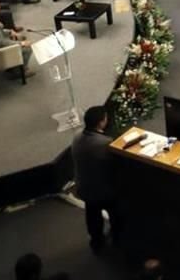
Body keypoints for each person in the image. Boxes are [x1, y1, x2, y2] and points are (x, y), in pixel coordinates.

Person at [72, 105, 121, 252]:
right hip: (102, 191)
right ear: (101, 123)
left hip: (83, 187)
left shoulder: (77, 137)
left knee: (92, 214)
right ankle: (118, 238)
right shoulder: (104, 143)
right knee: (117, 212)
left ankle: (96, 242)